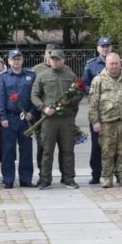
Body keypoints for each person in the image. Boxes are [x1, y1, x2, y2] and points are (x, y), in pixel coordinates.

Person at [31, 48, 83, 189]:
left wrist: (71, 102)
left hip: (66, 118)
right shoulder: (42, 76)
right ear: (49, 60)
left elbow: (79, 93)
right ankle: (45, 179)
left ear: (63, 60)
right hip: (49, 119)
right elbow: (34, 95)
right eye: (52, 59)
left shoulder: (70, 75)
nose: (55, 61)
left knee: (67, 149)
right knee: (47, 150)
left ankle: (68, 178)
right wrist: (43, 108)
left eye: (57, 59)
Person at [89, 53, 122, 188]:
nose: (114, 66)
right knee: (107, 151)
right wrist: (95, 121)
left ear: (120, 63)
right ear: (106, 64)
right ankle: (107, 177)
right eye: (111, 63)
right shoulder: (98, 80)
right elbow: (93, 103)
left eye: (116, 63)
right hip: (106, 121)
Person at [0, 50, 38, 189]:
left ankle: (26, 179)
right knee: (8, 150)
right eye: (13, 59)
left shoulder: (31, 75)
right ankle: (8, 179)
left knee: (26, 150)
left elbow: (35, 95)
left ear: (22, 60)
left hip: (26, 118)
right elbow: (0, 98)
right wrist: (2, 117)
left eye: (18, 58)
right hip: (10, 117)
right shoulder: (3, 77)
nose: (16, 61)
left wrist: (32, 113)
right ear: (8, 61)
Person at [83, 37, 117, 184]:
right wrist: (94, 92)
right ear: (98, 48)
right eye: (102, 46)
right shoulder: (91, 65)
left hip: (115, 110)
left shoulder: (119, 64)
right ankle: (96, 173)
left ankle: (114, 173)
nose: (105, 48)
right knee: (97, 144)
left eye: (107, 46)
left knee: (115, 143)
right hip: (97, 110)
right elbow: (84, 84)